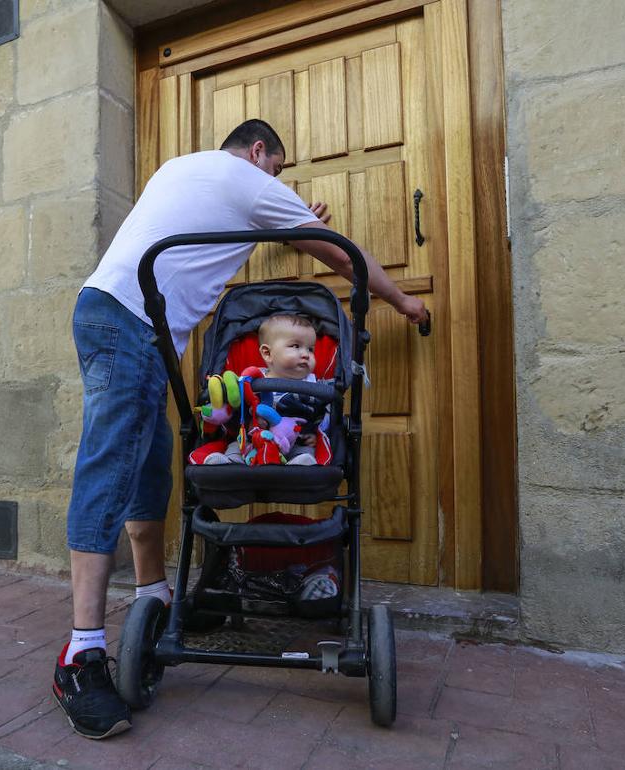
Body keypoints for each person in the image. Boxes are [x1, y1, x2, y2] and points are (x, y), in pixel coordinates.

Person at [53, 119, 428, 740]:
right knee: (110, 469)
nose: (275, 182)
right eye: (276, 172)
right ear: (258, 153)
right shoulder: (244, 180)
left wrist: (287, 219)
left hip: (111, 312)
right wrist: (404, 301)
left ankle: (156, 598)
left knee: (148, 467)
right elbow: (342, 255)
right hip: (130, 323)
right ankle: (80, 653)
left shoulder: (184, 169)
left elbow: (214, 231)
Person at [202, 313, 329, 466]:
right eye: (296, 346)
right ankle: (228, 463)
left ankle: (299, 466)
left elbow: (321, 413)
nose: (306, 355)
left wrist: (313, 433)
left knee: (306, 453)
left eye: (310, 349)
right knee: (235, 447)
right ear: (267, 353)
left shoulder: (315, 385)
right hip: (253, 440)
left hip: (292, 442)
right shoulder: (252, 378)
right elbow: (238, 407)